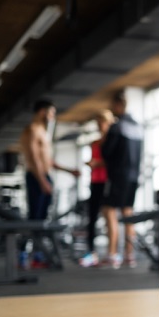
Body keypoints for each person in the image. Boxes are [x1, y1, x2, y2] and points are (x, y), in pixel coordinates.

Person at [19, 99, 80, 268]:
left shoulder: (42, 132)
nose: (53, 117)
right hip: (36, 177)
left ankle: (37, 256)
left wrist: (69, 170)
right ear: (42, 112)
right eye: (51, 113)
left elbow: (48, 160)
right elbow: (34, 158)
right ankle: (23, 255)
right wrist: (42, 180)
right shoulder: (32, 130)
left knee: (42, 220)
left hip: (44, 176)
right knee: (35, 219)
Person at [100, 90, 143, 269]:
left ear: (118, 105)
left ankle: (112, 255)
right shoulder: (138, 127)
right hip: (133, 176)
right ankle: (129, 255)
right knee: (127, 212)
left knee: (110, 211)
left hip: (118, 176)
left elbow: (106, 152)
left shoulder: (117, 127)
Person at [79, 109, 115, 268]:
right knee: (91, 218)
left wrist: (97, 163)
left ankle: (112, 254)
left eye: (103, 121)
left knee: (109, 218)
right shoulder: (95, 142)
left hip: (107, 182)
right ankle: (91, 252)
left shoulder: (113, 141)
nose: (100, 125)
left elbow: (114, 162)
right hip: (95, 182)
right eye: (98, 122)